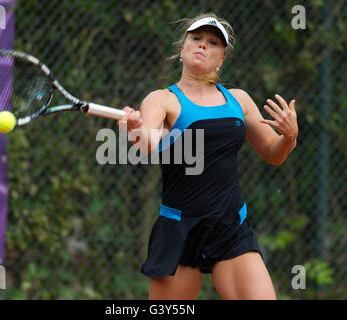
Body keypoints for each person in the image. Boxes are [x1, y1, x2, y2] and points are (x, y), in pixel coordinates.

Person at [117, 13, 298, 300]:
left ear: (222, 59)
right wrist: (134, 129)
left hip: (230, 227)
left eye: (213, 42)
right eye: (196, 39)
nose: (203, 45)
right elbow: (147, 143)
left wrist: (289, 137)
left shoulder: (239, 100)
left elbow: (274, 154)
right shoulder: (161, 99)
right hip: (179, 229)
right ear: (182, 50)